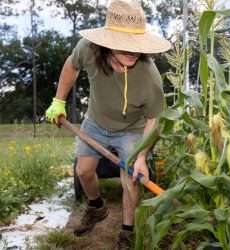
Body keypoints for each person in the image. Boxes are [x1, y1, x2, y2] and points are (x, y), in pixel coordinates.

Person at [45, 0, 171, 249]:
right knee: (83, 171)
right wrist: (58, 101)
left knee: (131, 179)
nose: (133, 51)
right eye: (125, 45)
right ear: (108, 43)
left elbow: (154, 120)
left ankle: (127, 230)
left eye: (136, 44)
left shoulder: (150, 77)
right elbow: (71, 66)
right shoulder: (88, 49)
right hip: (96, 121)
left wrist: (142, 157)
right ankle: (96, 207)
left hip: (133, 129)